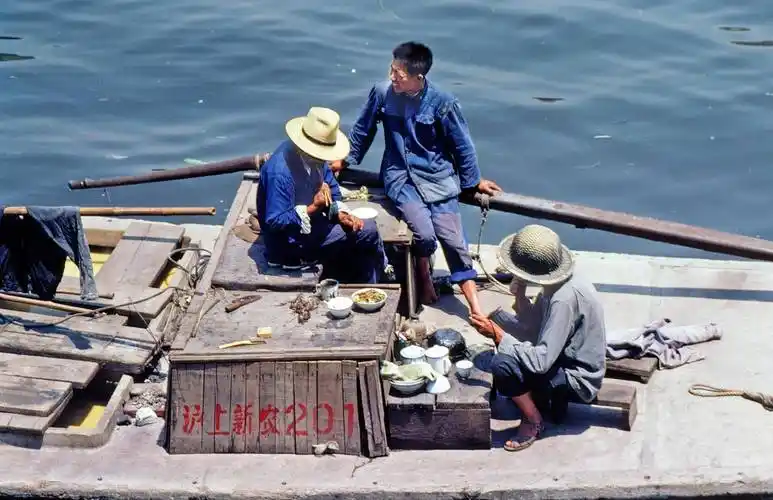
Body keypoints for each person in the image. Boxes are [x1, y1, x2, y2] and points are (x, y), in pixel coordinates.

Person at [330, 41, 501, 317]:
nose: (393, 78)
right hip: (400, 179)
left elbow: (463, 146)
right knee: (424, 234)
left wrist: (473, 181)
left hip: (438, 180)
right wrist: (345, 160)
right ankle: (423, 272)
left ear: (418, 77)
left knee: (455, 243)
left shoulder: (444, 103)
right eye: (392, 69)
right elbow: (363, 129)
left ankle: (475, 310)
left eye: (400, 74)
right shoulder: (382, 93)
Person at [469, 224, 607, 452]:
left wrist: (498, 334)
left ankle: (533, 419)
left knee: (502, 365)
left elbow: (541, 362)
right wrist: (520, 296)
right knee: (504, 330)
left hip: (576, 378)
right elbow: (537, 324)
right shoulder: (558, 283)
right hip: (559, 356)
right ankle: (532, 397)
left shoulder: (563, 300)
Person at [256, 106, 388, 284]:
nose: (324, 159)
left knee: (361, 229)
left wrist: (341, 214)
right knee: (369, 232)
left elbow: (332, 188)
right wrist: (313, 208)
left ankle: (366, 279)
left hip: (314, 226)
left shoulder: (315, 160)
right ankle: (371, 283)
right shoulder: (280, 172)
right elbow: (274, 220)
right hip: (290, 245)